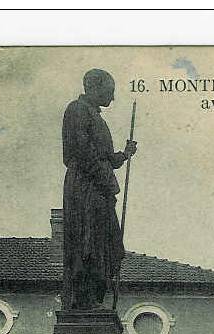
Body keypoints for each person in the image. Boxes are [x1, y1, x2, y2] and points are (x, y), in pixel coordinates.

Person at [62, 69, 137, 310]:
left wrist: (124, 155)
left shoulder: (95, 116)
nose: (112, 98)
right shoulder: (77, 110)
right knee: (88, 241)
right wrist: (105, 179)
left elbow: (104, 157)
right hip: (85, 188)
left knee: (106, 242)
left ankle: (95, 297)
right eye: (110, 91)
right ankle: (83, 299)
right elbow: (82, 153)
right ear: (94, 88)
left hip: (99, 188)